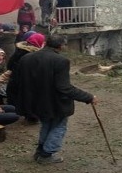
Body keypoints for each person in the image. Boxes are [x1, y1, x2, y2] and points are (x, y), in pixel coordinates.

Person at [11, 34, 98, 164]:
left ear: (46, 43)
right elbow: (64, 87)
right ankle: (46, 154)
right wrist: (88, 97)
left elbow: (19, 81)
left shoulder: (27, 58)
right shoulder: (60, 61)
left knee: (46, 124)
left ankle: (40, 151)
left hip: (35, 101)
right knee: (58, 126)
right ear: (61, 46)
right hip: (54, 102)